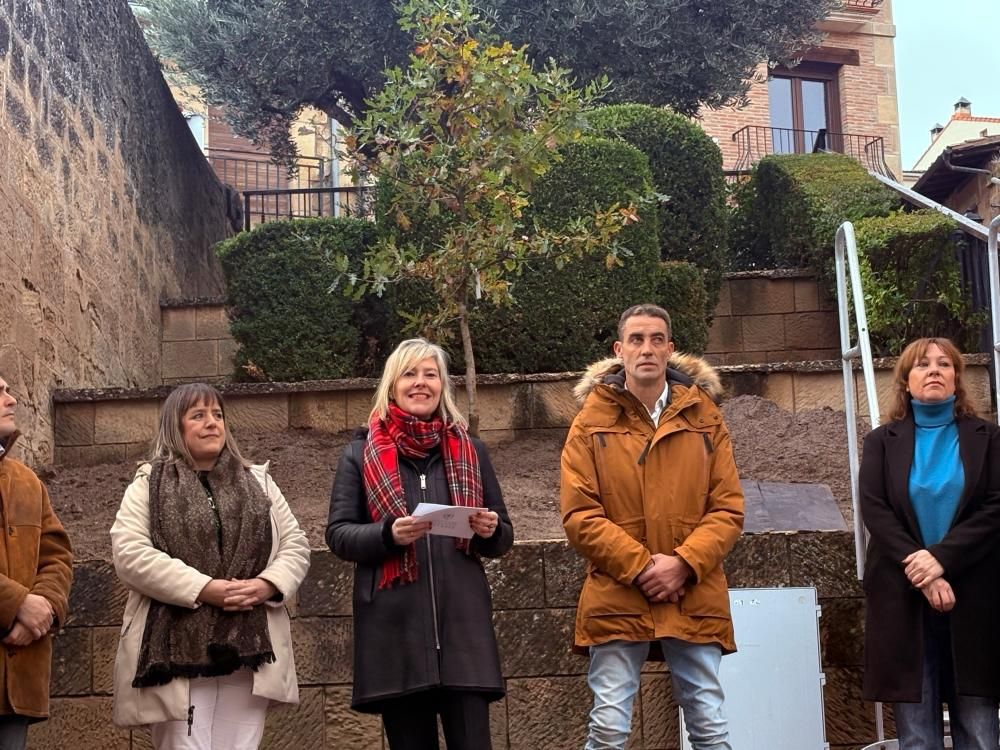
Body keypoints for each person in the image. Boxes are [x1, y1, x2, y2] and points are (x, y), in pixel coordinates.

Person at [561, 304, 744, 750]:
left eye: (657, 339)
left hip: (693, 593)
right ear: (619, 350)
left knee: (709, 725)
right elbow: (579, 515)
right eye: (638, 339)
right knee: (608, 727)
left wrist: (682, 564)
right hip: (618, 592)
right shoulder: (589, 421)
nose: (648, 349)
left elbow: (728, 509)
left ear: (670, 349)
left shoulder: (705, 417)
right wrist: (643, 567)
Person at [327, 338, 513, 750]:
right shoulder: (359, 454)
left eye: (430, 374)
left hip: (464, 635)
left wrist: (490, 529)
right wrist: (387, 534)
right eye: (410, 374)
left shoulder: (472, 450)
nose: (420, 383)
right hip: (396, 638)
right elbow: (338, 535)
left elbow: (503, 537)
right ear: (393, 385)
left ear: (442, 386)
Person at [110, 383, 310, 749]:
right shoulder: (147, 484)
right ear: (176, 425)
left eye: (217, 415)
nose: (212, 423)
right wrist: (205, 589)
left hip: (248, 645)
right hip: (176, 648)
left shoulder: (259, 482)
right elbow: (130, 553)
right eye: (198, 415)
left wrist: (266, 584)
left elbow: (295, 544)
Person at [860, 337, 1000, 749]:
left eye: (944, 364)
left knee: (979, 731)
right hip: (904, 600)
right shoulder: (881, 442)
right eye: (922, 365)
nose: (934, 370)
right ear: (906, 381)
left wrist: (940, 560)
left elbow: (995, 507)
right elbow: (876, 511)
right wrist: (924, 573)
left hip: (974, 599)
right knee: (917, 735)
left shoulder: (989, 438)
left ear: (957, 378)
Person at [0, 375, 74, 750]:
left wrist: (43, 608)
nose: (12, 399)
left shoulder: (28, 482)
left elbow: (57, 555)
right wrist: (17, 604)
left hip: (17, 683)